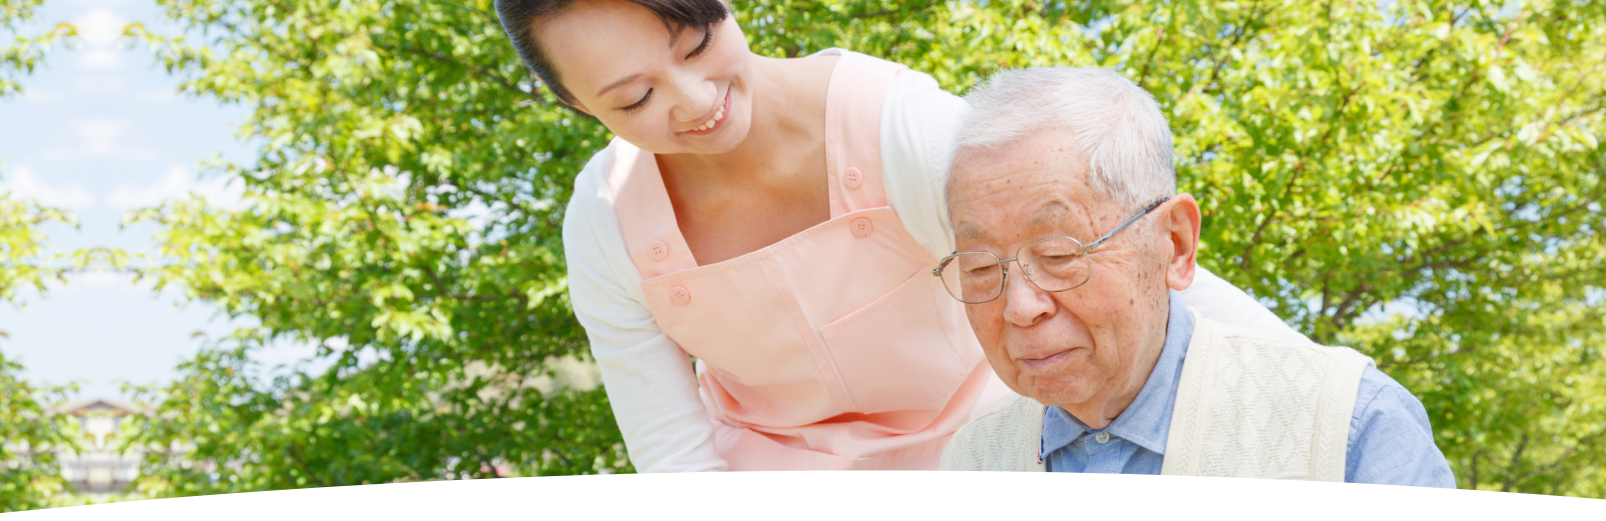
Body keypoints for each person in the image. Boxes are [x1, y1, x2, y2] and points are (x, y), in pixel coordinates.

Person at [496, 0, 1315, 472]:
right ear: (579, 108)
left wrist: (1317, 389)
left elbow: (1116, 260)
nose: (692, 100)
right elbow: (671, 441)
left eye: (696, 44)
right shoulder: (608, 220)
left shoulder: (891, 125)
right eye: (634, 98)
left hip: (992, 446)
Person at [936, 67, 1455, 485]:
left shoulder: (1349, 424)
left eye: (1058, 254)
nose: (1020, 307)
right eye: (981, 268)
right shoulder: (973, 452)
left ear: (1175, 244)